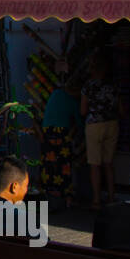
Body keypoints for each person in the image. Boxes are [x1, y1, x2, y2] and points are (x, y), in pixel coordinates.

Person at [80, 54, 123, 209]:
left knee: (95, 164)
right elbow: (121, 108)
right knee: (108, 163)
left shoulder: (88, 86)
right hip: (112, 123)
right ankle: (111, 196)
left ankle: (97, 199)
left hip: (94, 125)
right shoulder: (113, 85)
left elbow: (83, 110)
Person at [40, 59, 81, 208]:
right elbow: (79, 119)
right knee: (64, 165)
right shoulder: (71, 99)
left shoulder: (55, 94)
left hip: (47, 132)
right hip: (62, 133)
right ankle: (67, 197)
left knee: (49, 164)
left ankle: (50, 194)